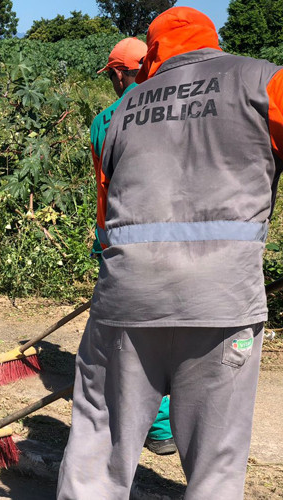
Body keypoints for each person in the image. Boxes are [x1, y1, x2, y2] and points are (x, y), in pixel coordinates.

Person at [58, 6, 283, 500]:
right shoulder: (263, 80)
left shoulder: (122, 112)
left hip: (126, 298)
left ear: (150, 54)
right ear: (212, 41)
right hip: (222, 300)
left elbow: (106, 220)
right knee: (215, 468)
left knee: (98, 453)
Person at [91, 37, 176, 457]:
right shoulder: (181, 106)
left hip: (128, 246)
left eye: (111, 74)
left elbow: (106, 191)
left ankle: (151, 426)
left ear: (120, 72)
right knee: (174, 334)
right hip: (183, 242)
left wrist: (102, 240)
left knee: (131, 340)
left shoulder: (107, 119)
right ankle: (166, 426)